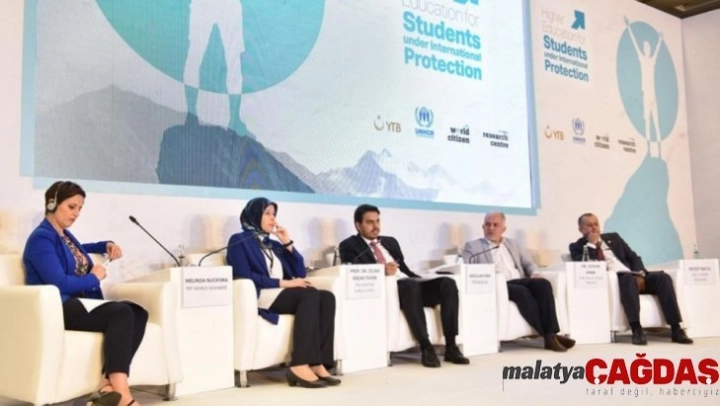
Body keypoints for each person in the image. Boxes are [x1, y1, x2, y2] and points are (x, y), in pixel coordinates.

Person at [23, 181, 147, 406]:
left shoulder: (64, 236)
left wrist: (105, 244)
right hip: (58, 307)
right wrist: (94, 277)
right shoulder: (41, 238)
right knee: (121, 312)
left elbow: (80, 249)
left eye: (80, 208)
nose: (76, 213)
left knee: (138, 312)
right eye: (71, 207)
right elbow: (59, 283)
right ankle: (122, 394)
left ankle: (106, 385)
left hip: (78, 304)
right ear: (52, 203)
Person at [226, 197, 339, 388]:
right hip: (261, 294)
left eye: (274, 214)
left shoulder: (275, 245)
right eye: (267, 213)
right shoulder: (239, 240)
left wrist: (287, 242)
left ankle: (317, 363)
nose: (273, 219)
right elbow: (243, 274)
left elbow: (300, 272)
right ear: (254, 215)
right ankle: (299, 364)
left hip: (282, 294)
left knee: (326, 297)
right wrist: (284, 283)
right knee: (309, 294)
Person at [338, 204, 469, 368]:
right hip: (390, 290)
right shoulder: (349, 245)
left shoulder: (390, 242)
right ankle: (426, 347)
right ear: (358, 225)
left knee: (447, 283)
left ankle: (451, 346)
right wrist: (381, 270)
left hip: (410, 284)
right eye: (370, 222)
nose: (375, 226)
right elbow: (353, 272)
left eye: (377, 221)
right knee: (409, 285)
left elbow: (405, 269)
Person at [569, 213, 693, 345]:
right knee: (627, 278)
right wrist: (592, 245)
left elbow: (633, 257)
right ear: (581, 229)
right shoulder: (576, 247)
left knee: (663, 278)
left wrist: (639, 274)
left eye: (596, 224)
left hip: (635, 275)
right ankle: (636, 329)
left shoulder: (614, 238)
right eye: (589, 225)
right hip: (618, 280)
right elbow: (585, 266)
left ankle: (676, 328)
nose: (594, 228)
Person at [463, 212, 575, 352]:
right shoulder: (473, 246)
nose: (491, 228)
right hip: (498, 284)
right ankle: (550, 336)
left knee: (543, 284)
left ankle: (550, 335)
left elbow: (528, 263)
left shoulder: (513, 244)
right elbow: (467, 267)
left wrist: (535, 274)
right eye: (488, 224)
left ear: (503, 228)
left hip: (519, 280)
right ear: (483, 227)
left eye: (495, 225)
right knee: (522, 292)